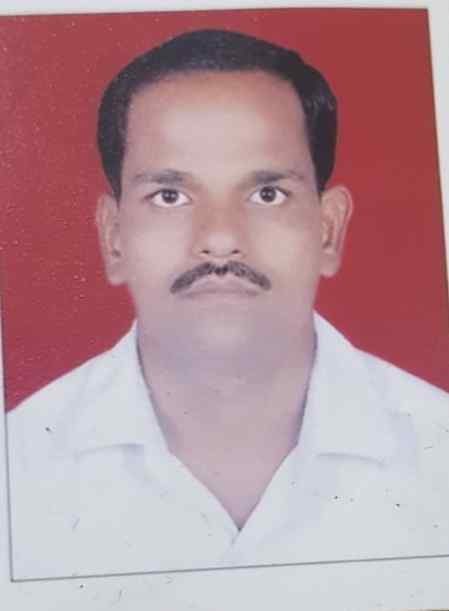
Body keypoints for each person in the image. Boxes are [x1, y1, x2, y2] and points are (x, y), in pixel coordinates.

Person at [7, 29, 449, 580]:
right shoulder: (19, 466)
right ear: (113, 237)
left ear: (328, 230)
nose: (219, 239)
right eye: (170, 196)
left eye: (267, 194)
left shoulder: (438, 451)